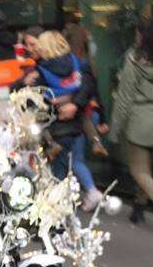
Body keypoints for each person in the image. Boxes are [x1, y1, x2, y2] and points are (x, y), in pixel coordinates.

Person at [109, 17, 153, 235]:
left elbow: (124, 100)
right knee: (147, 169)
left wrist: (114, 131)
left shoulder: (135, 62)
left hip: (140, 122)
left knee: (138, 170)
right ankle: (138, 210)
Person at [19, 31, 102, 210]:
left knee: (57, 172)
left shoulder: (40, 71)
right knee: (66, 166)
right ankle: (60, 208)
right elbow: (88, 86)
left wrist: (22, 86)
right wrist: (75, 103)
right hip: (75, 124)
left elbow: (32, 101)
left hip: (54, 127)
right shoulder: (77, 62)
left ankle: (53, 212)